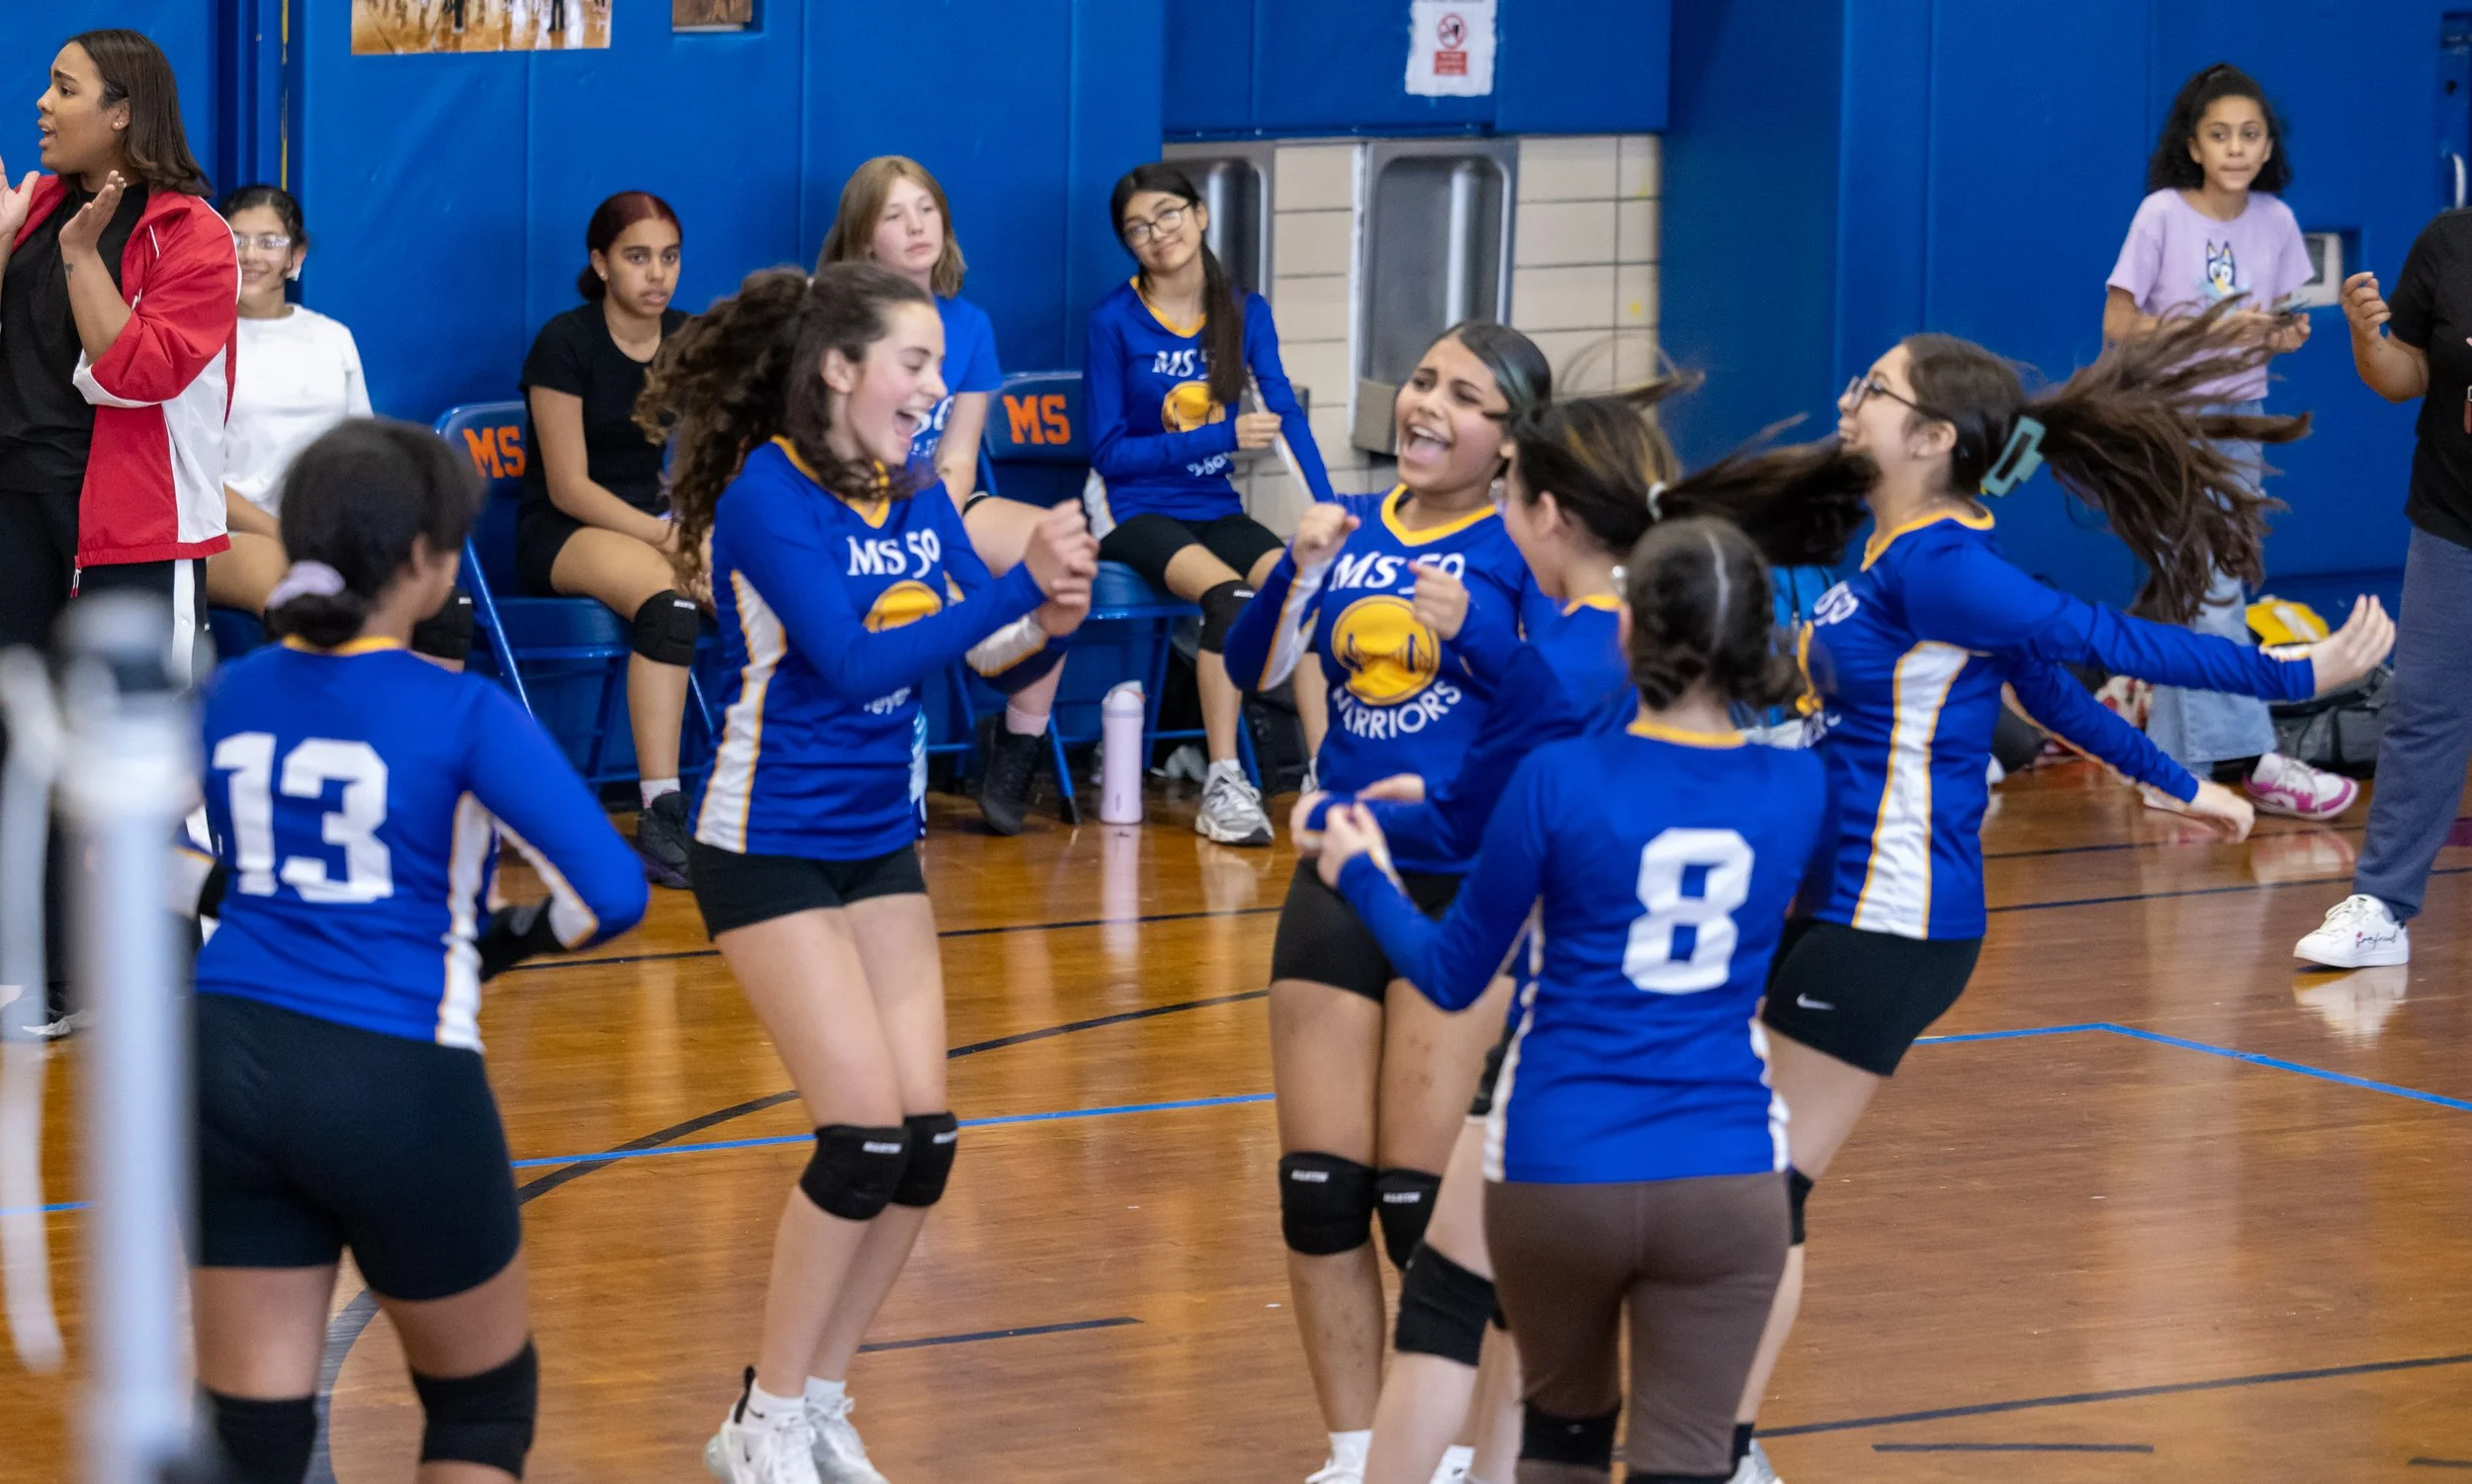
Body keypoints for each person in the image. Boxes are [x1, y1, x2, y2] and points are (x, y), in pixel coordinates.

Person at [1724, 309, 2398, 1480]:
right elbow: (2054, 697)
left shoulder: (1943, 562)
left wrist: (2290, 672)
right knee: (1730, 1170)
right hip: (1831, 904)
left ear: (1931, 436)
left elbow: (2093, 639)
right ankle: (1706, 1434)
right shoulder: (1900, 553)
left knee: (1751, 1183)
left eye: (1873, 388)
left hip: (1891, 916)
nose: (1849, 399)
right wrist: (2181, 779)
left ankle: (1721, 1447)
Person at [1308, 381, 1871, 1484]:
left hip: (1564, 1147)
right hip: (1722, 1161)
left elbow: (1449, 964)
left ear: (1630, 622)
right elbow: (1811, 905)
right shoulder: (1799, 794)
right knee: (1687, 1456)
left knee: (1539, 1419)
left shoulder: (1560, 773)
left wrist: (1364, 873)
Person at [638, 261, 1096, 1484]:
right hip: (766, 839)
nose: (937, 389)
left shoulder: (910, 489)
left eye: (941, 367)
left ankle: (820, 1398)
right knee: (857, 1138)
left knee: (921, 1144)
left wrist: (1048, 616)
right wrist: (1006, 584)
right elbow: (848, 661)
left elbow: (981, 652)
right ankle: (763, 1419)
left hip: (875, 837)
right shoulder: (764, 499)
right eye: (915, 363)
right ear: (839, 369)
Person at [191, 418, 649, 1484]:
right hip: (393, 1068)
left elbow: (126, 851)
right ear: (422, 563)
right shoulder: (461, 708)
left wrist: (237, 893)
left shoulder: (235, 690)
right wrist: (505, 940)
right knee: (480, 1408)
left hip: (223, 1059)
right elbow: (612, 893)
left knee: (254, 1435)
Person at [1215, 322, 1552, 1484]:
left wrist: (1488, 640)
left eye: (1464, 397)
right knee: (1319, 1191)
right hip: (1337, 864)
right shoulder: (1347, 524)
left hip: (1463, 877)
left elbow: (1563, 710)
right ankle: (1357, 1454)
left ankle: (1467, 1450)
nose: (1427, 406)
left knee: (1419, 1206)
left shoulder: (1523, 546)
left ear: (1510, 444)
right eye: (1422, 380)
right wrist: (1295, 573)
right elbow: (1253, 674)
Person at [2103, 61, 2352, 821]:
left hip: (2238, 423)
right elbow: (2118, 327)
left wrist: (2285, 332)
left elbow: (2270, 327)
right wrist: (2209, 327)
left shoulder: (2275, 221)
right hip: (2167, 422)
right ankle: (2253, 757)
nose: (2237, 148)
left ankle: (2174, 771)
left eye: (2250, 134)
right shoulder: (2160, 215)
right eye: (2220, 135)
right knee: (2212, 589)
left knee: (2193, 590)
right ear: (2194, 145)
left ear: (2268, 145)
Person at [1087, 161, 1338, 845]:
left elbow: (1285, 412)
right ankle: (1224, 781)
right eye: (1138, 227)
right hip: (1132, 507)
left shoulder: (1244, 311)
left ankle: (1326, 777)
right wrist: (1219, 433)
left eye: (1168, 213)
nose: (1157, 232)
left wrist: (1330, 507)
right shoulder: (1114, 320)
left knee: (1307, 596)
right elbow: (1107, 453)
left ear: (1199, 215)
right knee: (1228, 602)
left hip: (1211, 501)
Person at [814, 154, 1059, 835]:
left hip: (940, 500)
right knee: (908, 598)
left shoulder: (971, 324)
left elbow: (957, 457)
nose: (916, 225)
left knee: (1058, 559)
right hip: (857, 506)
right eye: (894, 215)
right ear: (865, 238)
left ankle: (1016, 748)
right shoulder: (837, 320)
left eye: (925, 208)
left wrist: (933, 538)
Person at [0, 29, 234, 671]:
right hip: (16, 502)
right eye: (49, 85)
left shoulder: (192, 234)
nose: (42, 103)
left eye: (65, 89)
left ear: (122, 113)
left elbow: (137, 374)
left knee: (135, 739)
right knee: (18, 740)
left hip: (133, 528)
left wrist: (81, 255)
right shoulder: (32, 207)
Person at [2292, 220, 2472, 967]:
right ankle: (2381, 908)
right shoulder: (2450, 242)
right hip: (2454, 518)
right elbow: (2407, 376)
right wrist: (2371, 339)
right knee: (2424, 711)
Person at [518, 190, 697, 885]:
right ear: (600, 263)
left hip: (663, 523)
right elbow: (568, 486)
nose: (657, 273)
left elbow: (714, 454)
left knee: (766, 588)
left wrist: (701, 532)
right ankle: (660, 811)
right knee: (671, 604)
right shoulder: (566, 341)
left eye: (670, 257)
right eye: (637, 257)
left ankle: (783, 793)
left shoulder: (689, 337)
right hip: (567, 530)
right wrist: (668, 538)